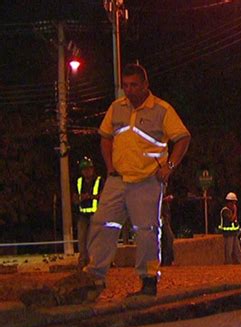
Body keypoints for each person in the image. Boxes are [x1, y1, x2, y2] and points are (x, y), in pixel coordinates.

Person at [61, 63, 191, 301]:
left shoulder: (162, 109)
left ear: (145, 85)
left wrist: (168, 167)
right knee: (102, 224)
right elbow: (105, 137)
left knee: (146, 231)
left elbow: (182, 138)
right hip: (118, 180)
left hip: (147, 181)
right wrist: (110, 167)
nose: (129, 90)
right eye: (125, 86)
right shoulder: (116, 108)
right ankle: (95, 276)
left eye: (134, 85)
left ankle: (148, 280)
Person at [73, 157, 103, 269]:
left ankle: (95, 262)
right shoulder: (79, 182)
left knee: (95, 240)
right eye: (84, 169)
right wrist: (81, 198)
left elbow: (103, 195)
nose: (87, 171)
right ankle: (83, 261)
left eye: (88, 169)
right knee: (82, 240)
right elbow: (75, 198)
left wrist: (90, 197)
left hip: (96, 215)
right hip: (83, 216)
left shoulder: (99, 181)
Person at [218, 192, 241, 264]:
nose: (234, 205)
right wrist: (235, 211)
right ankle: (228, 265)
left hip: (233, 233)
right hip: (228, 234)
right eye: (233, 203)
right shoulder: (225, 211)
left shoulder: (231, 210)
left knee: (237, 250)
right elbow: (231, 219)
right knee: (228, 251)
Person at [160, 194, 176, 266]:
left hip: (164, 216)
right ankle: (163, 261)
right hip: (158, 215)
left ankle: (167, 261)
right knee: (167, 238)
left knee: (168, 238)